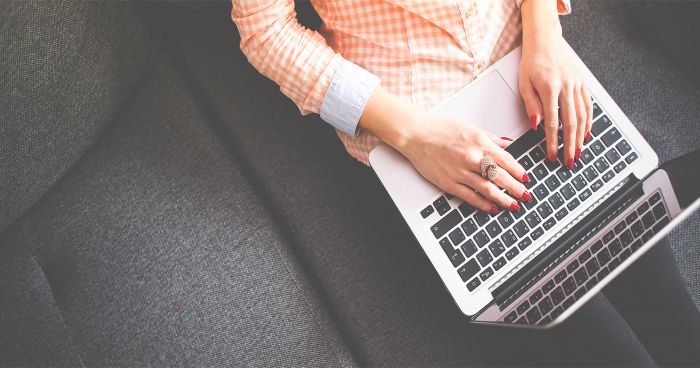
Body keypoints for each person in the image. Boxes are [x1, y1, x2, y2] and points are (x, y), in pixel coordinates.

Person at [231, 1, 700, 365]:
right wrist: (415, 134)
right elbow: (265, 29)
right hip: (420, 138)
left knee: (674, 318)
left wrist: (545, 33)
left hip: (530, 75)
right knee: (610, 350)